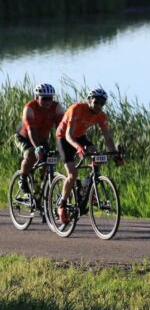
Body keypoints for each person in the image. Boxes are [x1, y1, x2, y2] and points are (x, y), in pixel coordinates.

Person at [54, 87, 123, 224]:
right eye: (96, 102)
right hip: (64, 138)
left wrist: (115, 155)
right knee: (73, 174)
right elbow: (69, 135)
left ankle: (88, 187)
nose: (98, 106)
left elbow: (108, 139)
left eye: (102, 103)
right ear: (89, 100)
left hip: (79, 136)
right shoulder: (77, 108)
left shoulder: (101, 116)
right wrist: (79, 147)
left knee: (95, 151)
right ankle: (61, 206)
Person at [12, 83, 64, 195]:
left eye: (50, 98)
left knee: (48, 159)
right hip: (24, 137)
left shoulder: (57, 108)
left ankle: (42, 185)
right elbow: (31, 129)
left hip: (41, 138)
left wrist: (64, 145)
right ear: (36, 97)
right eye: (44, 99)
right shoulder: (29, 108)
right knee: (31, 154)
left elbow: (61, 129)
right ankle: (23, 178)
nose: (48, 102)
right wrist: (37, 147)